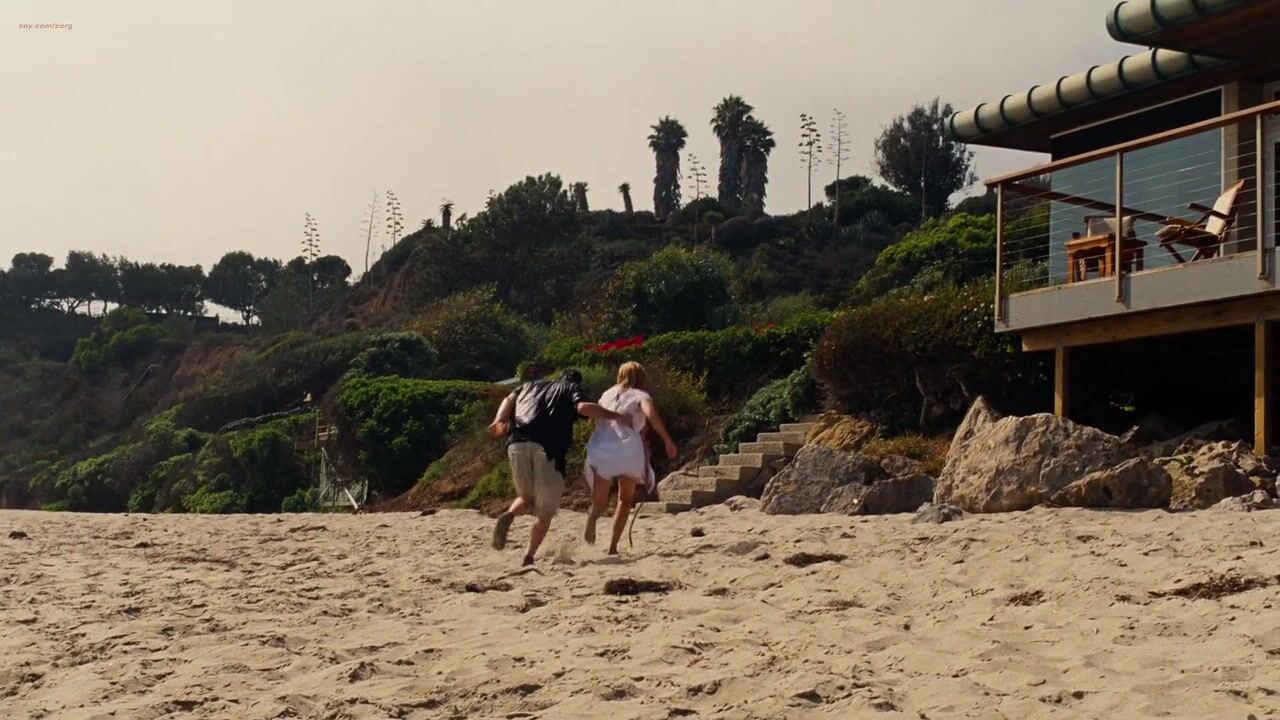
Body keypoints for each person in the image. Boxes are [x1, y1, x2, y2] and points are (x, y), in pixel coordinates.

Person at [488, 368, 629, 567]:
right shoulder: (571, 387)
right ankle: (529, 556)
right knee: (545, 512)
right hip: (548, 448)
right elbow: (583, 408)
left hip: (516, 443)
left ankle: (510, 514)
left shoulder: (528, 386)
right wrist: (616, 416)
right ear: (576, 382)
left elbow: (508, 399)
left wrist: (498, 421)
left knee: (526, 497)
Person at [583, 362, 677, 554]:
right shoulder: (641, 395)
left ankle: (592, 519)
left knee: (599, 501)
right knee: (625, 500)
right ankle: (612, 547)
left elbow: (597, 416)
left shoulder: (606, 394)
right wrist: (667, 439)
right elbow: (651, 415)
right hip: (627, 449)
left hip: (601, 446)